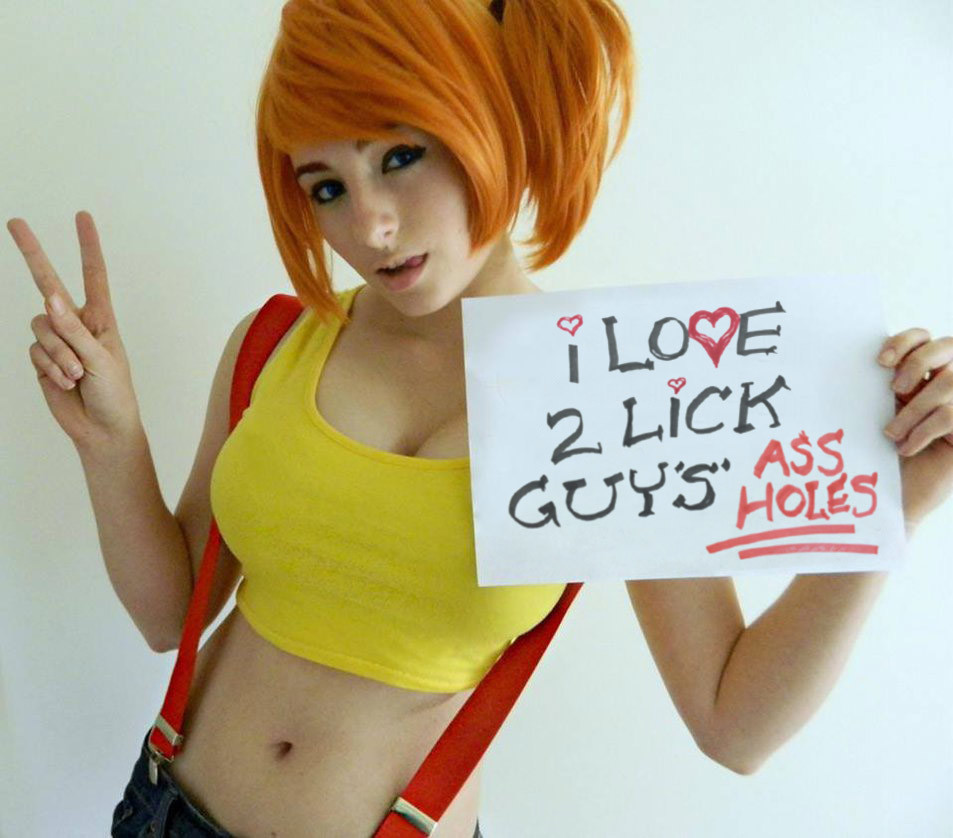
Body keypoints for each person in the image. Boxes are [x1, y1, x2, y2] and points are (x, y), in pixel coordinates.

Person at [8, 1, 953, 836]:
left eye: (400, 156)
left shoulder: (612, 390)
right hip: (162, 812)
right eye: (326, 185)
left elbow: (733, 726)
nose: (368, 226)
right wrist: (110, 438)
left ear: (493, 120)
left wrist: (892, 504)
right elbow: (169, 614)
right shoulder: (274, 343)